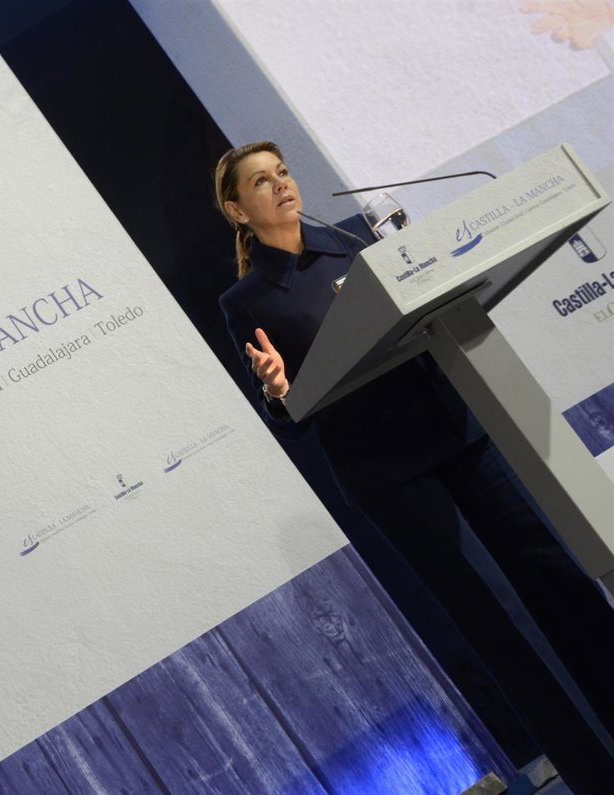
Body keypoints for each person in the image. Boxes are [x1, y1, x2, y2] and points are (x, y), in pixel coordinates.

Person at [214, 140, 614, 794]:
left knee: (558, 575)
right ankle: (596, 771)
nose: (282, 184)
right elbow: (288, 416)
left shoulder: (354, 242)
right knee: (500, 620)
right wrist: (278, 391)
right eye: (261, 181)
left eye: (282, 172)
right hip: (391, 475)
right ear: (237, 210)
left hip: (460, 430)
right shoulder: (248, 300)